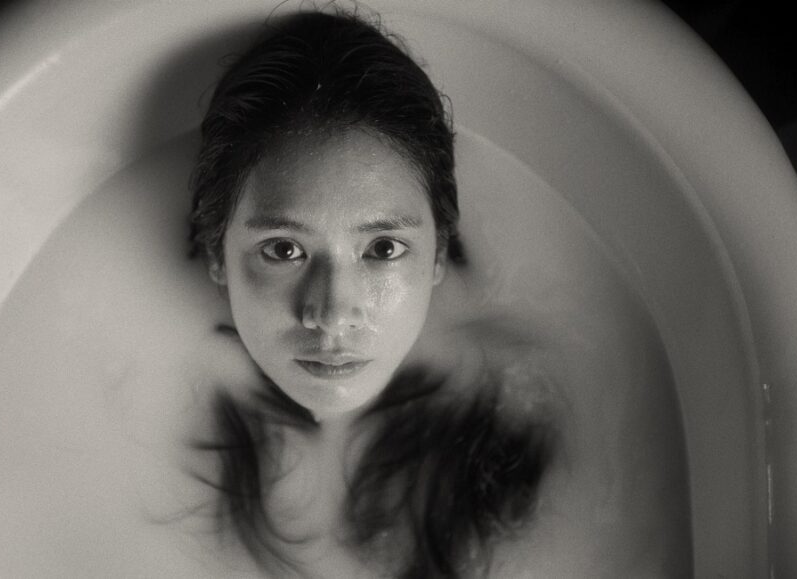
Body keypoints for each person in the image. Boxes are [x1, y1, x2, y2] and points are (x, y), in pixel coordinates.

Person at [186, 9, 553, 578]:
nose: (332, 315)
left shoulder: (531, 414)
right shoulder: (141, 425)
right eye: (283, 250)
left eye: (382, 249)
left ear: (437, 256)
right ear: (217, 257)